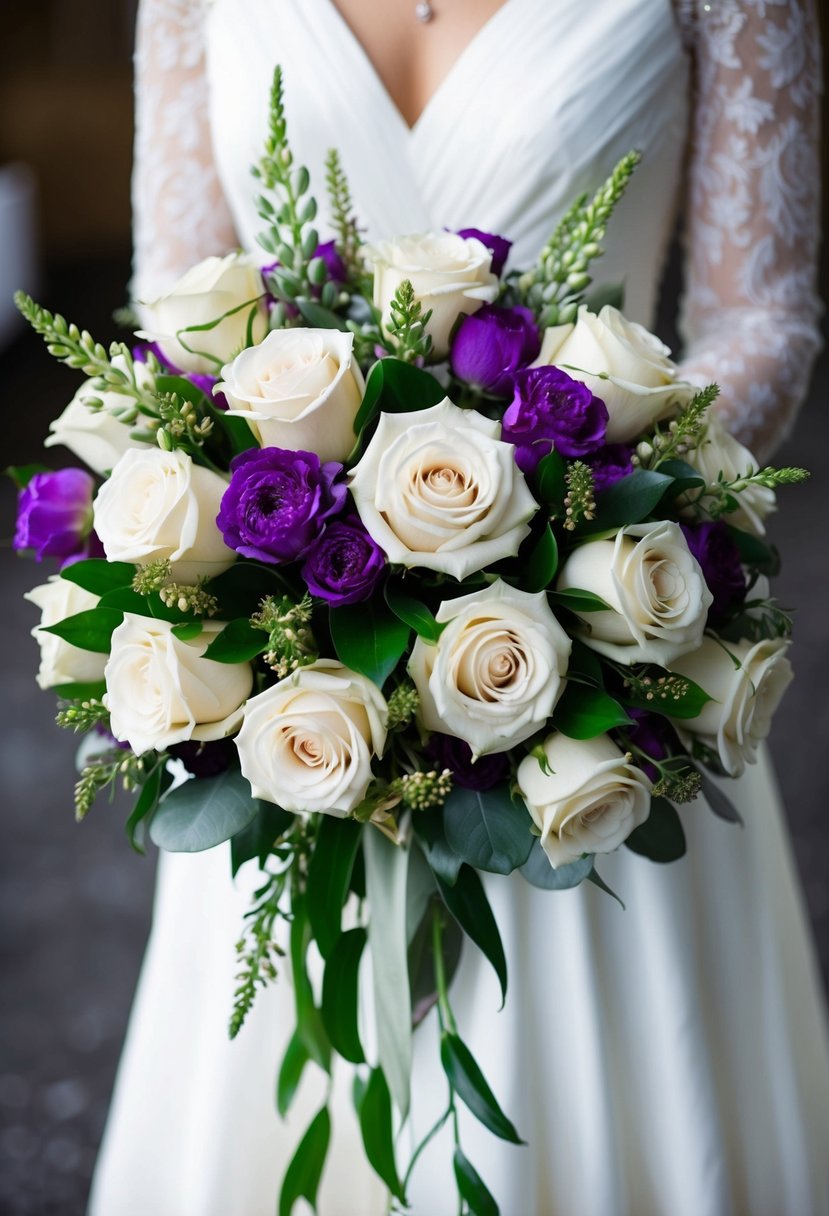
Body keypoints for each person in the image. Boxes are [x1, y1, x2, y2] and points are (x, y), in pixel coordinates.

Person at [88, 1, 829, 1213]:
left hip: (595, 683)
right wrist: (284, 573)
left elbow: (764, 321)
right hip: (289, 711)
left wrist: (563, 520)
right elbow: (174, 300)